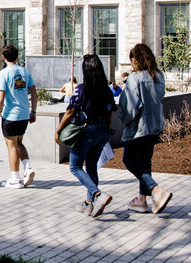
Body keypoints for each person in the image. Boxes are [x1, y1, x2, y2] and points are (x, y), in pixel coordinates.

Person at [55, 54, 116, 217]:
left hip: (86, 132)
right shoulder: (107, 91)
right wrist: (104, 131)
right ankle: (89, 204)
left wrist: (59, 130)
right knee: (91, 167)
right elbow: (110, 112)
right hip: (102, 132)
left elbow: (70, 112)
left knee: (75, 166)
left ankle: (98, 194)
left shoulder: (81, 90)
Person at [119, 43, 173, 214]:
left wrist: (123, 119)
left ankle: (156, 190)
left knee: (129, 160)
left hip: (138, 128)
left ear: (135, 59)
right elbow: (160, 97)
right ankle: (142, 200)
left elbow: (131, 106)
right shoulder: (158, 75)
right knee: (144, 161)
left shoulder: (135, 78)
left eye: (132, 59)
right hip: (155, 125)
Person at [0, 44, 38, 188]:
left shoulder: (3, 74)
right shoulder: (25, 72)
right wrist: (33, 112)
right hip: (24, 114)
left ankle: (14, 178)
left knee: (11, 146)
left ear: (3, 57)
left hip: (10, 115)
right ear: (17, 56)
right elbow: (34, 93)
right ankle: (28, 167)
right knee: (19, 143)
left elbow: (0, 97)